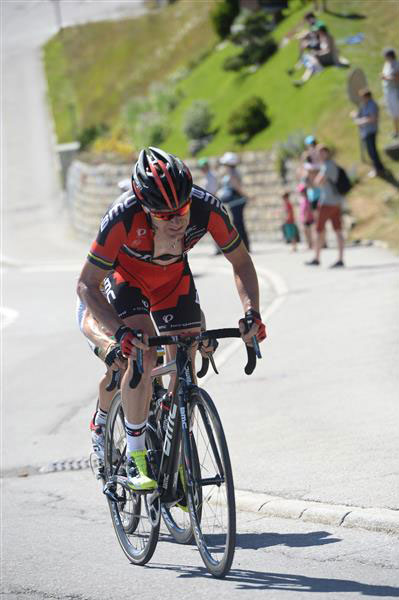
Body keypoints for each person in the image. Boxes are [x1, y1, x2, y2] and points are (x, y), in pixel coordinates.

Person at [77, 146, 266, 492]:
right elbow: (86, 285)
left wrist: (251, 312)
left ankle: (174, 436)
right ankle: (136, 459)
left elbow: (240, 261)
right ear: (145, 208)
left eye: (181, 210)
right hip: (126, 282)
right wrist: (120, 334)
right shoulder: (122, 218)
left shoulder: (206, 207)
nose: (177, 220)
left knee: (187, 353)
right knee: (144, 354)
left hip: (172, 284)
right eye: (164, 216)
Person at [305, 145, 345, 268]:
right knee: (338, 230)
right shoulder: (332, 164)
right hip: (336, 202)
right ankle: (340, 258)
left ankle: (316, 258)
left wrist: (312, 175)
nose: (319, 156)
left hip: (326, 202)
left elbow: (317, 182)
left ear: (326, 153)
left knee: (318, 230)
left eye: (320, 153)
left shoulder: (326, 166)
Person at [218, 151, 250, 252]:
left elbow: (237, 186)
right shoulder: (232, 172)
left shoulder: (232, 173)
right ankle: (245, 246)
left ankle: (244, 246)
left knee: (238, 223)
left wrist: (247, 196)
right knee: (238, 223)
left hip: (237, 201)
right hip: (235, 201)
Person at [350, 88, 385, 177]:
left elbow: (373, 119)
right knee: (371, 152)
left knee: (372, 152)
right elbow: (359, 115)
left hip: (371, 131)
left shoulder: (372, 105)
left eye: (362, 97)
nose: (361, 99)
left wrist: (360, 121)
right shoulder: (364, 105)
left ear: (367, 96)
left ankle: (378, 170)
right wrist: (355, 115)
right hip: (365, 132)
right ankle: (379, 168)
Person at [381, 48, 399, 138]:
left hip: (395, 91)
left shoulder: (396, 64)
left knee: (397, 112)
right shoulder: (387, 64)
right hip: (388, 91)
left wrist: (386, 78)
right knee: (393, 113)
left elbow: (397, 78)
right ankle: (396, 131)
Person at [297, 182, 314, 249]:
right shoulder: (302, 199)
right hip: (304, 218)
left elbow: (307, 209)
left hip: (308, 218)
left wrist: (306, 217)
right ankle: (308, 244)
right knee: (306, 232)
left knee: (309, 232)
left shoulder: (307, 199)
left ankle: (310, 244)